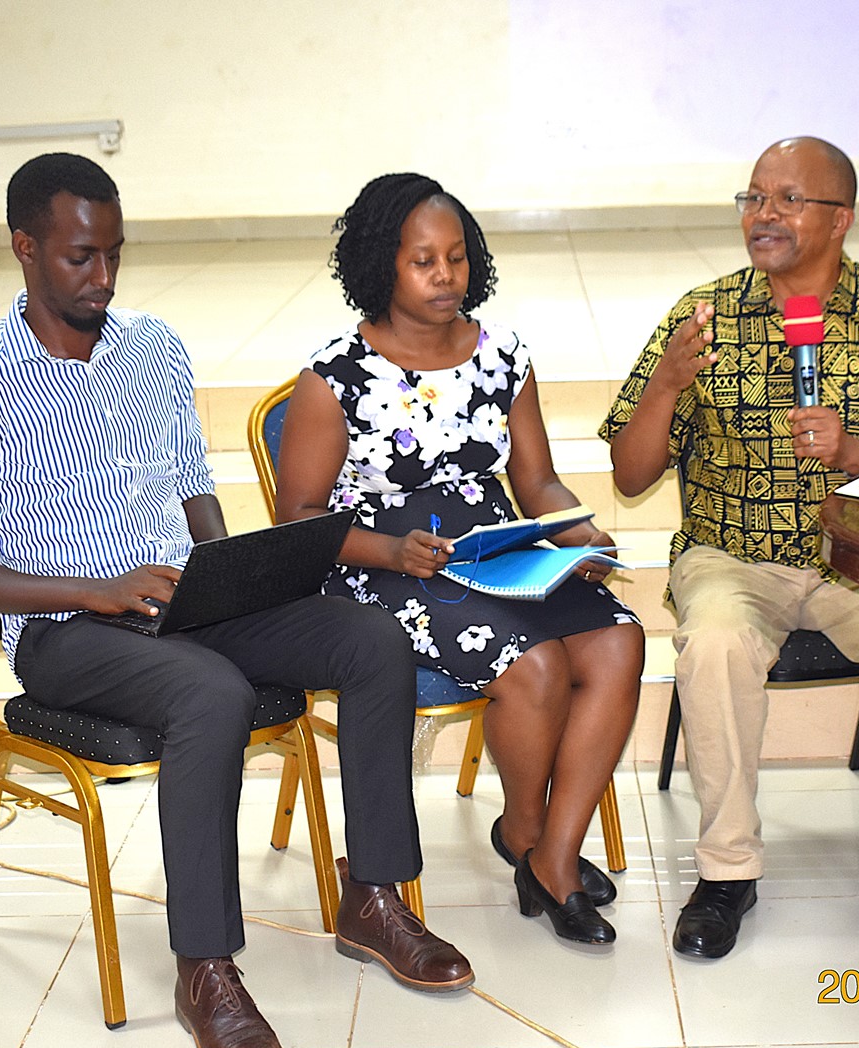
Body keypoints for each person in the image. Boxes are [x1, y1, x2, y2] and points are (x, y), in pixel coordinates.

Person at [0, 153, 472, 1048]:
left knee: (368, 638)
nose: (103, 278)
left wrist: (233, 569)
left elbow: (192, 491)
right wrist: (90, 590)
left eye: (115, 255)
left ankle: (372, 898)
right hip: (69, 631)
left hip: (186, 603)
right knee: (209, 692)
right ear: (25, 249)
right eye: (81, 258)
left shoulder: (154, 348)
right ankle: (205, 968)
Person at [599, 137, 859, 973]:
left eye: (786, 199)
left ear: (839, 218)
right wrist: (667, 383)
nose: (762, 214)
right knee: (717, 641)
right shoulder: (702, 314)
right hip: (731, 556)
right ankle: (725, 872)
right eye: (752, 197)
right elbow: (630, 474)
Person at [275, 173, 644, 946]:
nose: (447, 276)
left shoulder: (503, 354)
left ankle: (553, 853)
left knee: (619, 639)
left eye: (456, 257)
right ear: (382, 266)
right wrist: (390, 549)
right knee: (536, 665)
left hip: (491, 546)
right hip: (381, 562)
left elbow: (534, 479)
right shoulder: (334, 375)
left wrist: (577, 532)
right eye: (423, 261)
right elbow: (298, 517)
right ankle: (530, 834)